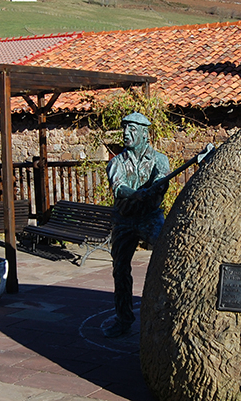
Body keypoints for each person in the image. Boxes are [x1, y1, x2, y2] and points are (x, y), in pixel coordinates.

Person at [104, 112, 170, 338]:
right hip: (124, 220)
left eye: (132, 129)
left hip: (150, 217)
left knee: (166, 256)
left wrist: (157, 187)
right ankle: (123, 319)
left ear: (144, 134)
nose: (126, 133)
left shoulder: (160, 159)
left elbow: (162, 180)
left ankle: (165, 315)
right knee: (120, 270)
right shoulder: (116, 162)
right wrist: (136, 194)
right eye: (125, 128)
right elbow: (118, 186)